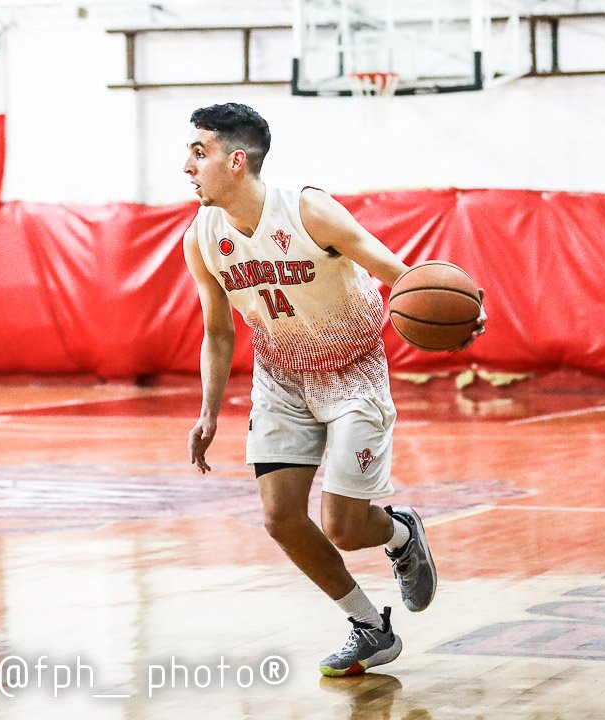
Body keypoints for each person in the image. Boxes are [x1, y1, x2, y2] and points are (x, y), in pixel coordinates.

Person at [180, 103, 485, 677]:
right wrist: (208, 413)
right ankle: (369, 627)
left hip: (353, 369)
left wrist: (462, 312)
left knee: (345, 528)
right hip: (281, 377)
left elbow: (401, 276)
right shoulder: (202, 236)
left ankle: (400, 533)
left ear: (236, 161)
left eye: (200, 153)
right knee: (281, 519)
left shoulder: (307, 210)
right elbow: (218, 332)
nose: (187, 166)